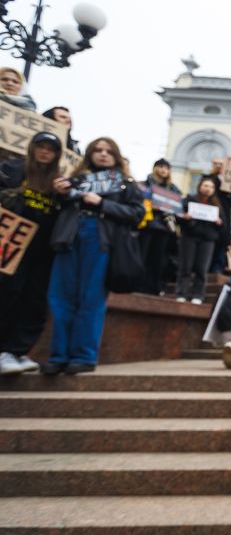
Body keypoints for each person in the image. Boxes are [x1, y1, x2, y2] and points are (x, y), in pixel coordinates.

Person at [45, 137, 145, 375]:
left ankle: (84, 356)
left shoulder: (125, 184)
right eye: (98, 150)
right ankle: (59, 356)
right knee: (61, 298)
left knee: (90, 299)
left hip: (100, 241)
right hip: (68, 238)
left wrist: (102, 204)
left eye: (108, 151)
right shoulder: (74, 181)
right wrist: (58, 193)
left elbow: (137, 213)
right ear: (89, 154)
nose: (103, 154)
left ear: (116, 156)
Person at [0, 132, 63, 375]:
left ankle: (17, 350)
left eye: (51, 149)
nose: (45, 152)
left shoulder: (58, 180)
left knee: (35, 300)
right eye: (41, 147)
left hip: (43, 250)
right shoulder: (13, 169)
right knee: (9, 294)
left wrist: (64, 194)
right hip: (12, 245)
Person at [176, 176, 223, 304]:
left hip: (208, 239)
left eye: (211, 187)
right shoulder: (189, 200)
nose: (208, 189)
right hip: (189, 236)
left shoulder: (217, 205)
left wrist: (219, 222)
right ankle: (182, 293)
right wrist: (184, 217)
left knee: (202, 269)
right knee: (186, 266)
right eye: (206, 186)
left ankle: (198, 295)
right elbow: (178, 215)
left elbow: (223, 225)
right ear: (200, 187)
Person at [138, 158, 180, 296]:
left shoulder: (173, 189)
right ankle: (138, 284)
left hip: (164, 227)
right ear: (155, 168)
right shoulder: (145, 184)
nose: (163, 170)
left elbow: (178, 206)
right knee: (142, 255)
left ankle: (154, 287)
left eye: (166, 168)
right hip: (147, 225)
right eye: (161, 167)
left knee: (159, 259)